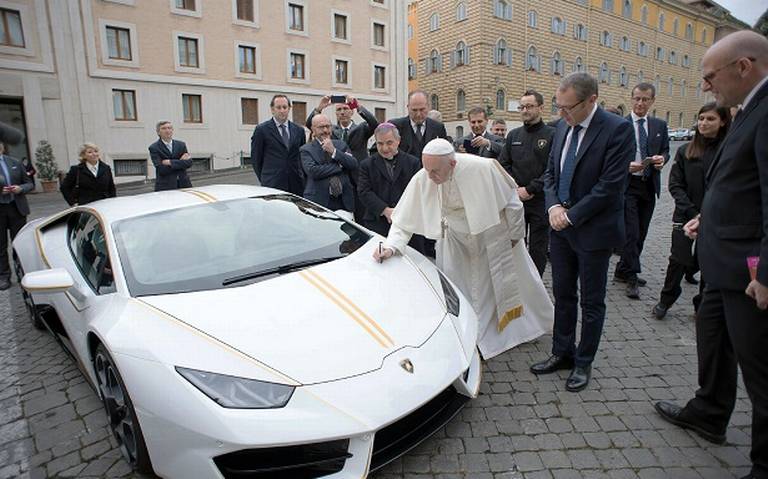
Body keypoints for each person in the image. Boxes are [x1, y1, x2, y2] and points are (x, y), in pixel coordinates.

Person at [654, 31, 768, 479]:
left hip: (750, 272)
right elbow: (739, 186)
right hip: (721, 264)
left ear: (744, 66)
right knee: (714, 344)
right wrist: (709, 218)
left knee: (760, 370)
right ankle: (709, 410)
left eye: (709, 76)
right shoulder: (747, 111)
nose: (705, 87)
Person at [373, 138, 553, 359]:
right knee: (459, 290)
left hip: (489, 236)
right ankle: (468, 335)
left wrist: (514, 236)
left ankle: (502, 335)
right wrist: (391, 246)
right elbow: (403, 220)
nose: (430, 177)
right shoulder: (426, 175)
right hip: (454, 241)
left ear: (453, 164)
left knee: (492, 290)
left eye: (435, 171)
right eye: (427, 170)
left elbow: (513, 203)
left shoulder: (484, 168)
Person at [530, 72, 635, 392]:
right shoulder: (562, 126)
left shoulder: (618, 130)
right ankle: (562, 352)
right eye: (558, 107)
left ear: (592, 101)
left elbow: (610, 187)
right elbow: (549, 175)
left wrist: (570, 215)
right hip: (560, 229)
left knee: (592, 302)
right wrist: (552, 209)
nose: (560, 114)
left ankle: (583, 362)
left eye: (567, 107)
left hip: (593, 231)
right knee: (563, 294)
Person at [652, 103, 730, 319]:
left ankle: (702, 305)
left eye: (710, 119)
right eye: (701, 118)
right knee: (678, 259)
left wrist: (706, 214)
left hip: (715, 218)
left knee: (708, 263)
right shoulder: (686, 150)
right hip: (685, 216)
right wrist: (693, 212)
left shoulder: (729, 150)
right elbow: (676, 185)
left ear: (722, 121)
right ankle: (665, 300)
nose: (704, 123)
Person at [614, 83, 670, 299]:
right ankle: (632, 276)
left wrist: (662, 159)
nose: (640, 103)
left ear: (652, 101)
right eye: (637, 98)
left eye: (645, 99)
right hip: (627, 186)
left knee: (642, 233)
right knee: (631, 232)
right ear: (631, 98)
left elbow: (665, 149)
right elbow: (610, 155)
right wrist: (625, 165)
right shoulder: (620, 124)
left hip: (648, 185)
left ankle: (622, 269)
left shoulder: (659, 125)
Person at [499, 90, 556, 276]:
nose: (525, 110)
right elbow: (503, 164)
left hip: (540, 201)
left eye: (529, 106)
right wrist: (515, 188)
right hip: (516, 200)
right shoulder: (513, 135)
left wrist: (531, 189)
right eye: (522, 107)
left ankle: (536, 284)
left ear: (540, 108)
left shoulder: (552, 135)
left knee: (538, 249)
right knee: (515, 244)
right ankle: (518, 282)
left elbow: (552, 169)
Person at [357, 123, 425, 254]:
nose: (384, 148)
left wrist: (401, 212)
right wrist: (385, 210)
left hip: (408, 223)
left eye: (389, 143)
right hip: (377, 223)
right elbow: (364, 191)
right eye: (380, 144)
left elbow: (417, 192)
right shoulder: (367, 165)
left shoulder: (413, 162)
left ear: (398, 141)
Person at [300, 114, 357, 215]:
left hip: (343, 202)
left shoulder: (341, 145)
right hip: (318, 202)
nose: (326, 130)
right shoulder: (306, 149)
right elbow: (313, 172)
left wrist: (334, 151)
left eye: (328, 126)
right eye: (321, 127)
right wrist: (340, 166)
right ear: (313, 129)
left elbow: (353, 163)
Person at [250, 94, 306, 195]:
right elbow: (256, 159)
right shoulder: (262, 130)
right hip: (272, 184)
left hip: (296, 184)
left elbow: (301, 157)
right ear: (272, 109)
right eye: (278, 107)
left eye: (285, 107)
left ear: (289, 108)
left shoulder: (299, 130)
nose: (282, 110)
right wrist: (265, 178)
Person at [305, 95, 378, 163]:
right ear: (336, 113)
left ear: (352, 112)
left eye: (345, 109)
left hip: (358, 170)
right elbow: (310, 125)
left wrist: (358, 106)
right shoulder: (330, 130)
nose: (342, 112)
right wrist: (319, 108)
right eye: (339, 110)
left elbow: (374, 124)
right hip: (338, 170)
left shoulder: (362, 129)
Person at [0, 142, 33, 290]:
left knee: (19, 243)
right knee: (0, 245)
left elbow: (29, 183)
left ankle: (23, 272)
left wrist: (20, 188)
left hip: (16, 208)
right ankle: (3, 276)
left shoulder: (14, 162)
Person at [389, 91, 448, 158]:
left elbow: (446, 152)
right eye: (414, 110)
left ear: (428, 107)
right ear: (408, 107)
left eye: (422, 109)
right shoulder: (395, 127)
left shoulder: (438, 127)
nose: (418, 114)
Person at [148, 121, 192, 191]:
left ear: (172, 130)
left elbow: (189, 163)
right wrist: (180, 162)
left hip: (184, 184)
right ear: (158, 132)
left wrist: (170, 162)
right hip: (165, 187)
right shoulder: (154, 148)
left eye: (169, 128)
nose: (167, 130)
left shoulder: (181, 145)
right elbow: (161, 169)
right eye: (164, 128)